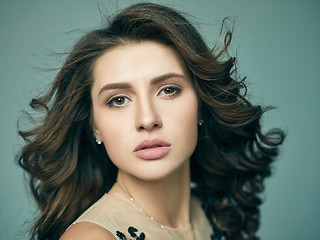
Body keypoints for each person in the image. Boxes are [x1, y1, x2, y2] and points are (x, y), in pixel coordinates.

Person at [17, 3, 285, 240]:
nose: (147, 119)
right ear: (94, 125)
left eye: (168, 90)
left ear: (201, 106)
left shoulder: (219, 217)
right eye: (118, 100)